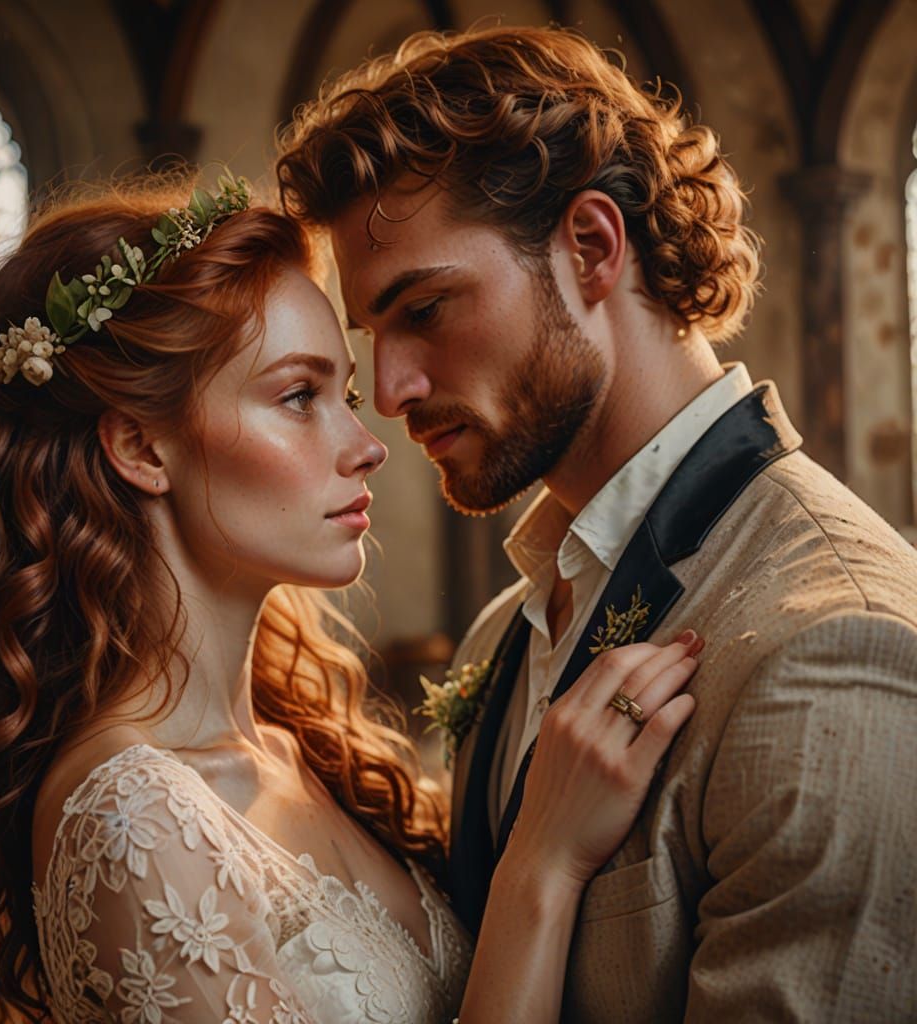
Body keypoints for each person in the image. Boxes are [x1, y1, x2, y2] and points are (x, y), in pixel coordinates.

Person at [0, 170, 699, 1024]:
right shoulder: (131, 819)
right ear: (141, 447)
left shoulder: (304, 753)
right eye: (297, 396)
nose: (367, 444)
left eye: (342, 394)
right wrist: (543, 865)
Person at [275, 24, 917, 1022]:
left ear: (591, 247)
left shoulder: (832, 651)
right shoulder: (504, 633)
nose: (391, 392)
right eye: (374, 336)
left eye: (425, 310)